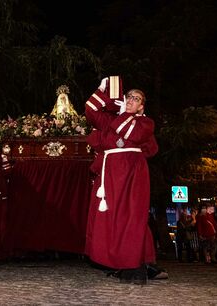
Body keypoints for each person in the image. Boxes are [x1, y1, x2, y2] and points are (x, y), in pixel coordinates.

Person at [84, 78, 158, 285]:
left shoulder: (145, 122)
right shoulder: (111, 120)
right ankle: (121, 261)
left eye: (137, 98)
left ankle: (136, 264)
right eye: (129, 97)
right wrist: (102, 91)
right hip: (110, 173)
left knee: (132, 215)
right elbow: (90, 111)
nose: (131, 100)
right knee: (112, 216)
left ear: (142, 106)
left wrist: (123, 111)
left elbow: (129, 131)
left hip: (132, 173)